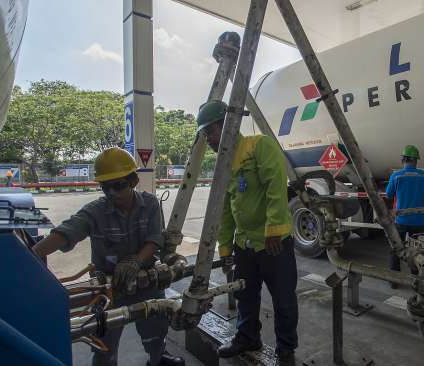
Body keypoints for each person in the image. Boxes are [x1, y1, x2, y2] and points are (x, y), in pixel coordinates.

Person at [32, 147, 185, 366]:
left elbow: (154, 240)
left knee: (155, 329)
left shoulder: (150, 204)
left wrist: (136, 261)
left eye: (118, 185)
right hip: (108, 289)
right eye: (105, 187)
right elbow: (67, 232)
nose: (112, 193)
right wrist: (31, 256)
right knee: (104, 341)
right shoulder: (95, 211)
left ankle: (158, 358)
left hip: (147, 282)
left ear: (133, 181)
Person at [197, 100, 298, 365]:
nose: (208, 139)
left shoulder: (258, 146)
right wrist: (227, 249)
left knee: (284, 300)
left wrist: (274, 228)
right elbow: (227, 211)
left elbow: (276, 186)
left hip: (273, 242)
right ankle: (247, 337)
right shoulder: (223, 164)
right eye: (205, 134)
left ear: (228, 126)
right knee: (245, 295)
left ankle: (286, 349)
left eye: (211, 131)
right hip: (245, 244)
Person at [385, 145, 424, 288]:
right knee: (417, 250)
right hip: (418, 220)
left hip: (401, 220)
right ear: (416, 161)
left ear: (402, 159)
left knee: (396, 249)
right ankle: (415, 278)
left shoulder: (396, 175)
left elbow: (388, 194)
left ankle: (394, 280)